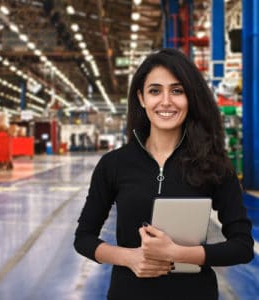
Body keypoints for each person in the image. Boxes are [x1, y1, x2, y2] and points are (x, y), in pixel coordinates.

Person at [73, 48, 254, 299]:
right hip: (129, 293)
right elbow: (83, 238)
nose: (166, 101)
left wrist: (177, 253)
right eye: (155, 91)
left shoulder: (214, 165)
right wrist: (129, 257)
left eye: (177, 91)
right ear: (141, 98)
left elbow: (243, 247)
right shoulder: (114, 164)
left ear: (191, 97)